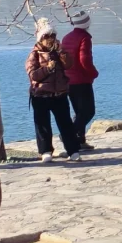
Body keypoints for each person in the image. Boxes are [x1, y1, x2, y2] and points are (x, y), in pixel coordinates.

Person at [26, 19, 81, 162]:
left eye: (53, 35)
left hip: (60, 94)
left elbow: (69, 64)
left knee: (65, 123)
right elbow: (33, 75)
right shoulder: (34, 54)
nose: (50, 39)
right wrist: (47, 69)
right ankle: (45, 151)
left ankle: (73, 151)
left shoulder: (58, 51)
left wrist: (61, 51)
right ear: (41, 38)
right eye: (47, 36)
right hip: (41, 95)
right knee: (42, 124)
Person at [61, 9, 99, 152]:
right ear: (87, 23)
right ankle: (69, 133)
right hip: (82, 80)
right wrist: (93, 73)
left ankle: (80, 140)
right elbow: (85, 60)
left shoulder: (66, 38)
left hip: (68, 80)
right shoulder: (85, 38)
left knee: (78, 111)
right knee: (89, 111)